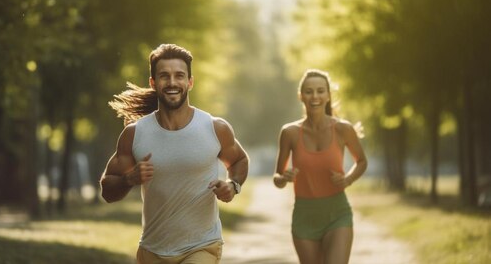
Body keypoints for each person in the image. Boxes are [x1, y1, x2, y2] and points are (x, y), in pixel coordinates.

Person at [100, 43, 249, 264]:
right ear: (153, 83)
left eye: (179, 75)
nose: (172, 82)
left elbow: (239, 159)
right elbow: (107, 190)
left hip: (201, 246)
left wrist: (233, 185)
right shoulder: (135, 134)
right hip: (152, 250)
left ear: (190, 81)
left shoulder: (214, 127)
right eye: (164, 76)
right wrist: (129, 179)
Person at [272, 69, 368, 264]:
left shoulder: (343, 129)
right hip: (304, 217)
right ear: (301, 96)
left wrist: (348, 179)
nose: (314, 96)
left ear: (328, 95)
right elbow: (277, 177)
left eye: (320, 91)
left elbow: (362, 161)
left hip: (337, 214)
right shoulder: (289, 133)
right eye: (309, 91)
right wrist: (284, 178)